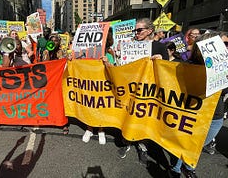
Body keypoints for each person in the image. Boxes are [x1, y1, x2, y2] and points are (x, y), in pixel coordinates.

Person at [169, 32, 228, 178]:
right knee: (188, 144)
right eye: (223, 44)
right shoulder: (187, 66)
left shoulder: (225, 66)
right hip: (192, 113)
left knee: (197, 145)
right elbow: (168, 76)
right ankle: (177, 169)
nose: (225, 48)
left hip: (215, 116)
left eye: (227, 44)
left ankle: (187, 166)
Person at [117, 18, 169, 165]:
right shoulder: (130, 45)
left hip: (148, 91)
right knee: (128, 115)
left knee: (143, 118)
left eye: (139, 30)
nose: (136, 33)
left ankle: (142, 147)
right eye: (135, 30)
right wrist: (118, 55)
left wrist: (161, 61)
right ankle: (126, 140)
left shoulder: (159, 47)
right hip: (130, 89)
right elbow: (122, 67)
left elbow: (167, 71)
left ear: (149, 31)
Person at [82, 28, 115, 145]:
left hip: (104, 87)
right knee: (89, 105)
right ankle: (89, 128)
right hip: (90, 86)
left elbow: (115, 72)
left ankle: (101, 129)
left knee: (102, 107)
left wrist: (107, 63)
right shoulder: (87, 54)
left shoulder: (109, 56)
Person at [41, 34, 69, 134]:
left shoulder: (62, 51)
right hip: (49, 80)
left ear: (59, 42)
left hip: (60, 80)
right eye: (52, 40)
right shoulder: (46, 51)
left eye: (56, 41)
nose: (54, 42)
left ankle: (63, 123)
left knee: (61, 101)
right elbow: (44, 64)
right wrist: (48, 52)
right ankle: (50, 119)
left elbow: (64, 62)